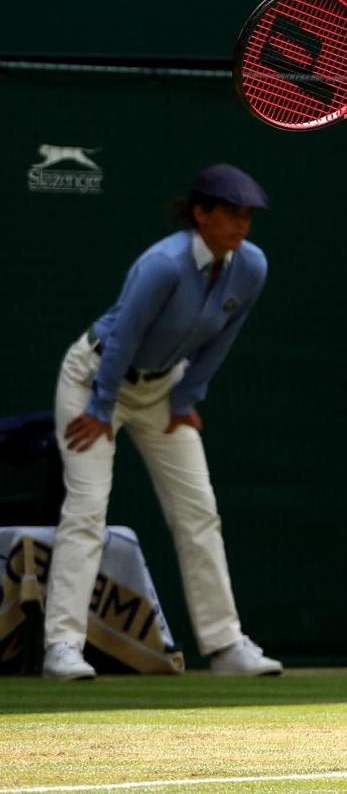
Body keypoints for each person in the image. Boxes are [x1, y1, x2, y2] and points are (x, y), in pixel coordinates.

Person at [44, 164, 284, 681]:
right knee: (87, 512)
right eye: (231, 213)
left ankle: (225, 646)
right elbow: (125, 334)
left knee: (200, 512)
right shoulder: (163, 264)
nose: (241, 225)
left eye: (248, 216)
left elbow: (221, 341)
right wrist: (101, 408)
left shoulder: (252, 267)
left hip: (162, 392)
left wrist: (185, 398)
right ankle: (62, 647)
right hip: (93, 382)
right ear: (201, 213)